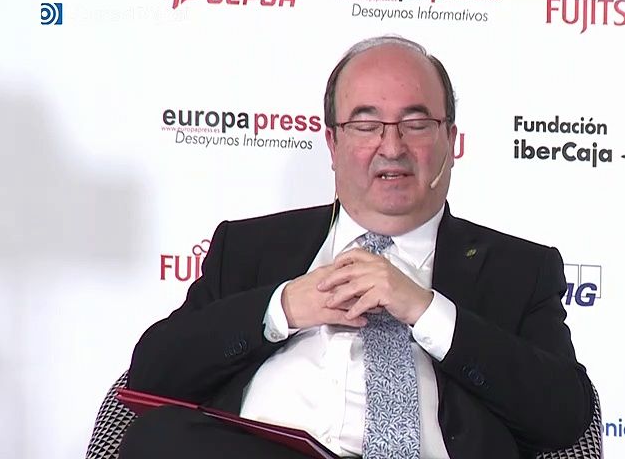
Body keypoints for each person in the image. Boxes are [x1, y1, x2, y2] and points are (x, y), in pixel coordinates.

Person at [119, 35, 593, 459]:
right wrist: (283, 308)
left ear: (450, 140)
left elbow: (564, 418)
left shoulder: (519, 269)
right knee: (156, 437)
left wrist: (425, 310)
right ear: (332, 142)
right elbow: (152, 377)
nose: (392, 147)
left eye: (416, 123)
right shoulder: (249, 249)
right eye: (366, 126)